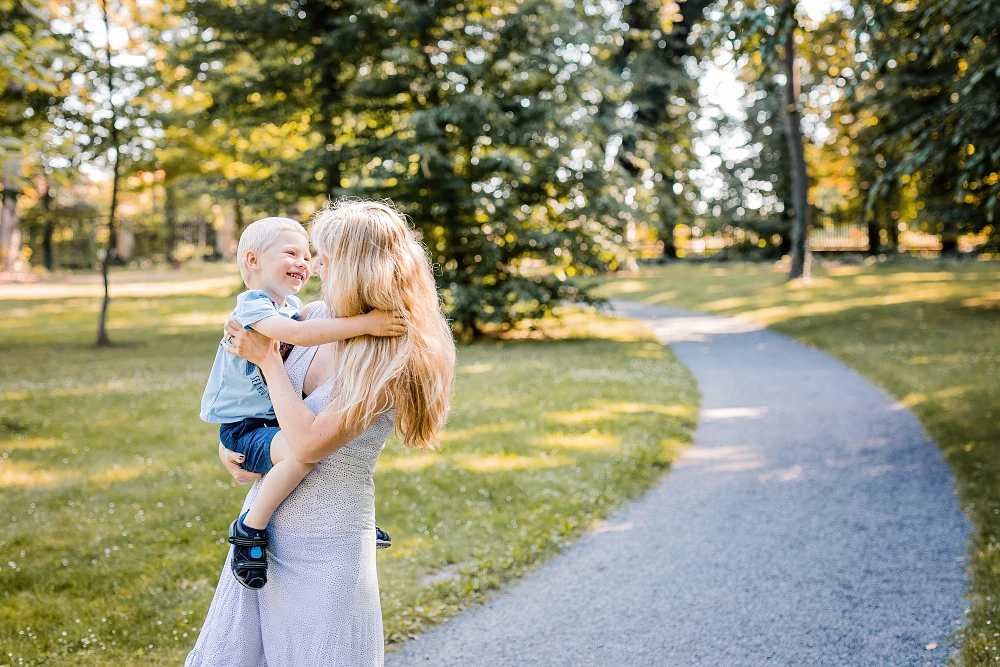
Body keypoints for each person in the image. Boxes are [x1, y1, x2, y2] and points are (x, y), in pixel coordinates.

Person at [186, 199, 456, 667]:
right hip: (261, 531)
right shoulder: (308, 318)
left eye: (327, 255)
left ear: (358, 265)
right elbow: (265, 405)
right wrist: (234, 443)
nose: (316, 265)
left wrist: (267, 358)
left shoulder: (389, 354)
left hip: (329, 543)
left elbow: (309, 442)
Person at [200, 216, 404, 589]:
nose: (306, 263)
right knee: (299, 453)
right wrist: (368, 324)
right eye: (291, 253)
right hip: (248, 426)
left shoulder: (292, 305)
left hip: (262, 423)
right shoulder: (253, 307)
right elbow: (297, 336)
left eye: (311, 256)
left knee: (302, 445)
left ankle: (346, 514)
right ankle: (249, 529)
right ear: (252, 260)